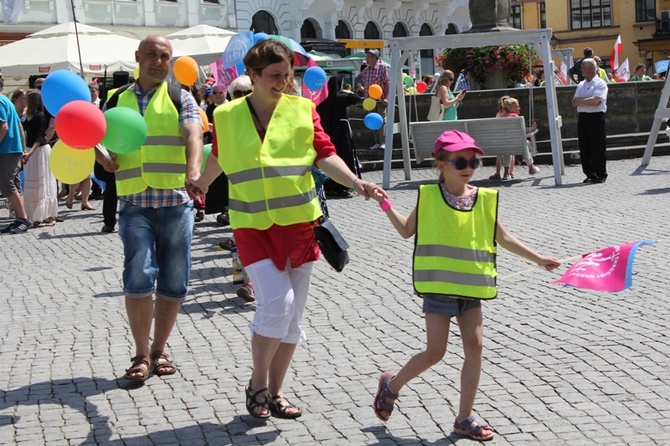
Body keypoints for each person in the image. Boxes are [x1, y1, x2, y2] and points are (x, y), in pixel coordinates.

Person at [193, 38, 385, 419]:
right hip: (252, 226)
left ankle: (276, 392)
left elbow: (324, 154)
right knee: (276, 305)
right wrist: (199, 182)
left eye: (288, 74)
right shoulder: (227, 115)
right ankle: (257, 383)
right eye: (274, 76)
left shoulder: (302, 110)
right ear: (253, 75)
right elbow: (221, 155)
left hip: (299, 223)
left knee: (293, 317)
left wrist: (354, 182)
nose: (283, 82)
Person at [369, 129, 560, 441]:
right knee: (435, 353)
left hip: (471, 288)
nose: (469, 166)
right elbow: (406, 231)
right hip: (438, 287)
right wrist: (385, 203)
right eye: (461, 161)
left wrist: (538, 258)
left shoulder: (483, 199)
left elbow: (504, 237)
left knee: (475, 347)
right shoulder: (429, 196)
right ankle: (391, 385)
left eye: (474, 160)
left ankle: (464, 418)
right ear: (441, 164)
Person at [101, 35, 203, 382]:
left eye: (165, 56)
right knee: (139, 274)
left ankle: (160, 349)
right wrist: (105, 160)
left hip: (176, 203)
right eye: (152, 55)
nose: (158, 62)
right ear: (137, 58)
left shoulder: (181, 96)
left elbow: (193, 134)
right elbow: (101, 142)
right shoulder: (115, 100)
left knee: (175, 281)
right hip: (134, 203)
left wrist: (193, 169)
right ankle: (142, 353)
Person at [315, 74, 362, 198]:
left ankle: (329, 186)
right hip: (341, 132)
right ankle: (343, 186)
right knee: (344, 156)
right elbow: (356, 97)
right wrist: (346, 91)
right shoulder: (340, 96)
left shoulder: (322, 99)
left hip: (328, 133)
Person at [21, 89, 59, 226]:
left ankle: (50, 215)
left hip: (40, 151)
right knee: (33, 183)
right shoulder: (27, 116)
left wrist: (30, 153)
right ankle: (36, 215)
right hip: (30, 150)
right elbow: (24, 133)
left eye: (26, 98)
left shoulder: (40, 115)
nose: (24, 101)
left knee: (45, 183)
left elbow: (39, 136)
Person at [0, 76, 30, 234]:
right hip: (13, 148)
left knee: (6, 185)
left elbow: (3, 127)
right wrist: (22, 148)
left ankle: (23, 219)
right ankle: (20, 218)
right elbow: (18, 125)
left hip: (7, 150)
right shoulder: (7, 101)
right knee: (14, 184)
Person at [572, 58, 608, 184]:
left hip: (596, 117)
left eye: (582, 66)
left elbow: (596, 101)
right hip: (583, 117)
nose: (580, 69)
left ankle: (600, 174)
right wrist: (587, 101)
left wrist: (583, 101)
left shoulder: (600, 83)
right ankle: (589, 173)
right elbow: (574, 102)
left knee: (597, 146)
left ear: (589, 68)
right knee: (584, 146)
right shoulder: (581, 84)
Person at [489, 96, 540, 180]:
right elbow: (523, 130)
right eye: (517, 106)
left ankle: (506, 173)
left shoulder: (501, 117)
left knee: (507, 151)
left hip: (504, 143)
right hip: (517, 143)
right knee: (525, 146)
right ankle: (531, 167)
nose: (519, 108)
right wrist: (532, 129)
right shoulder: (516, 118)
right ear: (510, 108)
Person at [362, 49, 389, 150]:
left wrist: (386, 97)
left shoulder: (383, 67)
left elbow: (387, 83)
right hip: (369, 101)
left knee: (381, 120)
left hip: (380, 100)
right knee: (372, 120)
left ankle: (384, 141)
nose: (366, 59)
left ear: (375, 58)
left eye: (368, 56)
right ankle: (377, 141)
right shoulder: (367, 70)